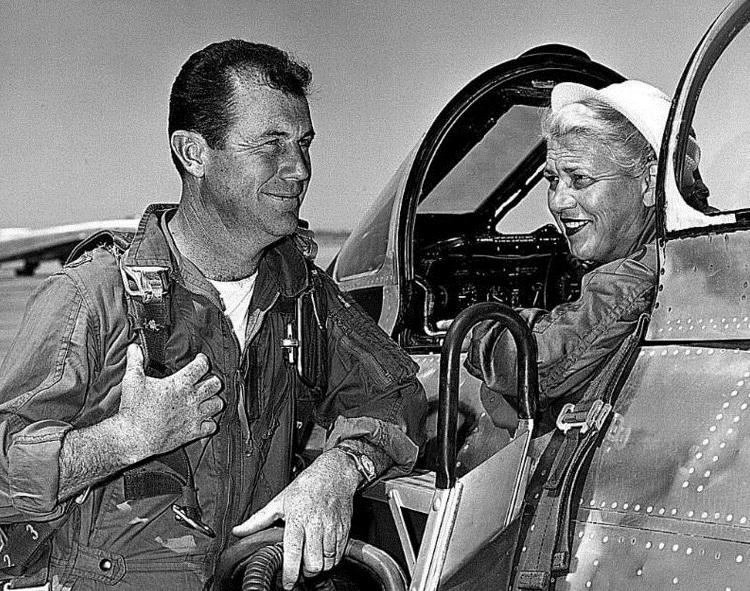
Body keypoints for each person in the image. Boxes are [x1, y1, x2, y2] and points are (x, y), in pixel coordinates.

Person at [0, 40, 426, 590]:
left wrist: (341, 470)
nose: (298, 169)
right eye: (270, 145)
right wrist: (125, 439)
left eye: (303, 143)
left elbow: (397, 395)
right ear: (193, 153)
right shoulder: (93, 297)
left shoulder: (302, 295)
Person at [465, 80, 703, 427]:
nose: (559, 201)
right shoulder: (678, 253)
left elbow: (539, 366)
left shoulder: (648, 271)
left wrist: (482, 327)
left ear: (650, 183)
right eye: (552, 180)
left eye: (579, 179)